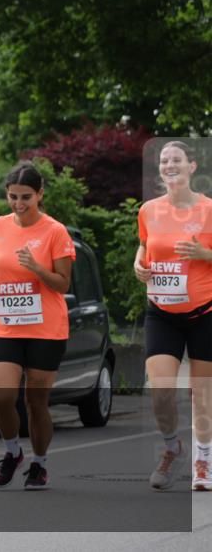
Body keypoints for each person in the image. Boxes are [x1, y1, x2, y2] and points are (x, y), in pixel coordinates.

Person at [0, 161, 75, 490]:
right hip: (6, 324)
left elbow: (62, 284)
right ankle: (12, 452)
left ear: (40, 194)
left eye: (26, 197)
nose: (18, 204)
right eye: (12, 197)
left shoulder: (55, 231)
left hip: (46, 328)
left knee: (36, 402)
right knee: (2, 398)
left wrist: (36, 267)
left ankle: (40, 463)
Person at [133, 140, 212, 491]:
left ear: (192, 166)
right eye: (164, 160)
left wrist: (203, 253)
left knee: (203, 393)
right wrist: (138, 264)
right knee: (161, 392)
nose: (169, 165)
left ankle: (203, 462)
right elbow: (144, 245)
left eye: (176, 159)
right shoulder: (149, 210)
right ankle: (171, 446)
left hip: (205, 312)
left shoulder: (209, 209)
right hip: (161, 311)